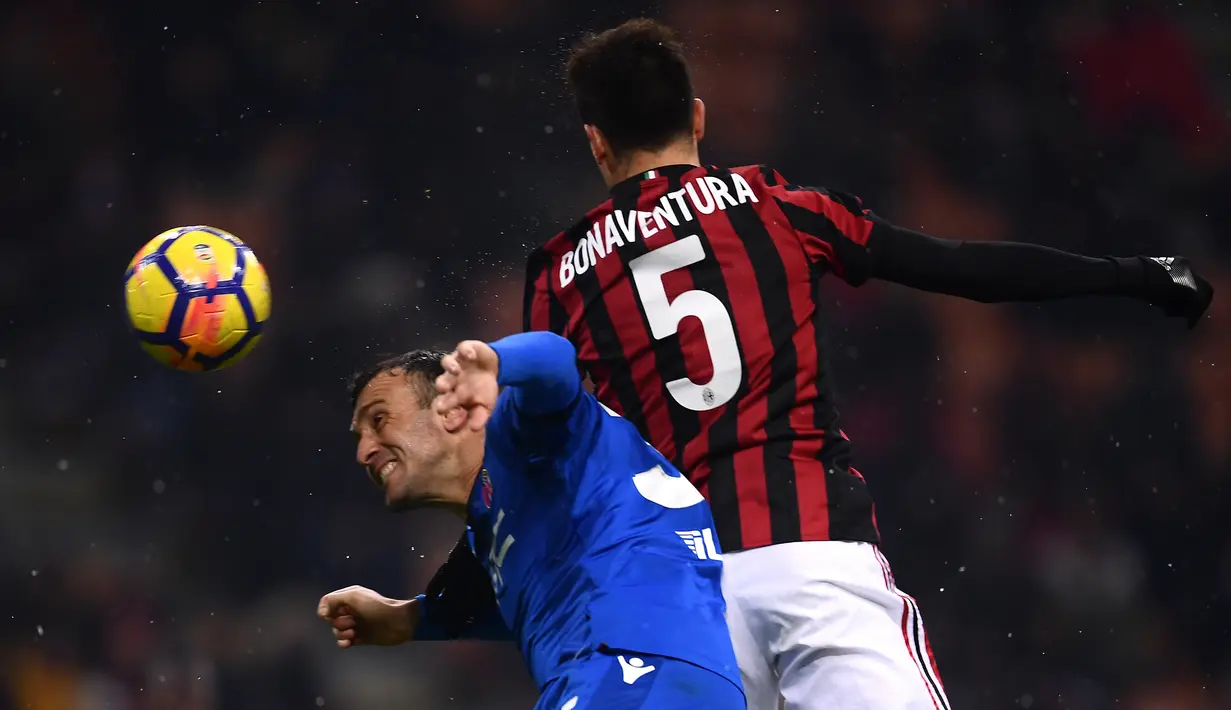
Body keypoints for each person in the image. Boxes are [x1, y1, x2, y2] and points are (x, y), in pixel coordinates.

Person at [522, 18, 1215, 710]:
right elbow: (961, 266)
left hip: (673, 595)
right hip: (812, 560)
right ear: (696, 117)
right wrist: (1130, 275)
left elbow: (539, 462)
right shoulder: (779, 208)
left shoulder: (558, 274)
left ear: (596, 140)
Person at [317, 332, 746, 710]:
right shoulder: (497, 526)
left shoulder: (522, 434)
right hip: (643, 675)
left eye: (379, 420)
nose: (364, 452)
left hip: (632, 667)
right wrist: (406, 619)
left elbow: (557, 361)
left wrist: (495, 362)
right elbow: (513, 609)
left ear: (450, 408)